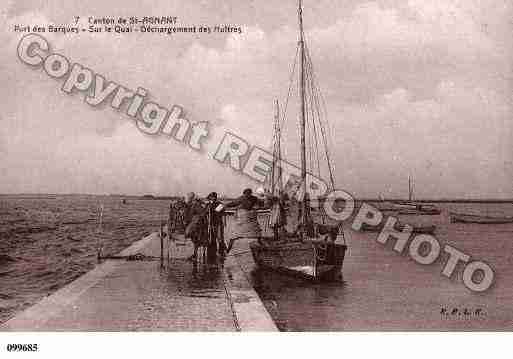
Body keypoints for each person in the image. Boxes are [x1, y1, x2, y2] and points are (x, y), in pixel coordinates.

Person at [225, 188, 268, 253]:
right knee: (236, 234)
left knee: (256, 232)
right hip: (243, 218)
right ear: (244, 193)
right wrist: (225, 205)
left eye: (249, 194)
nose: (248, 195)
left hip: (250, 218)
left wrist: (259, 206)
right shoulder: (241, 198)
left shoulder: (254, 198)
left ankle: (261, 244)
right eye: (246, 194)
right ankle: (228, 249)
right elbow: (233, 203)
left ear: (251, 193)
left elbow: (261, 203)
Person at [183, 192, 207, 262]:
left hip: (197, 224)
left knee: (192, 236)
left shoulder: (195, 205)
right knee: (194, 239)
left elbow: (201, 213)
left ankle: (195, 254)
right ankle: (195, 253)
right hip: (196, 223)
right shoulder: (195, 205)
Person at [205, 192, 227, 259]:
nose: (212, 198)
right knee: (211, 238)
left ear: (215, 197)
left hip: (218, 223)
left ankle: (221, 252)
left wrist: (224, 222)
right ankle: (212, 253)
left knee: (220, 238)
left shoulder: (220, 204)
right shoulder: (208, 204)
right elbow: (205, 213)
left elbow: (220, 213)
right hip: (210, 224)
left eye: (213, 197)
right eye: (211, 197)